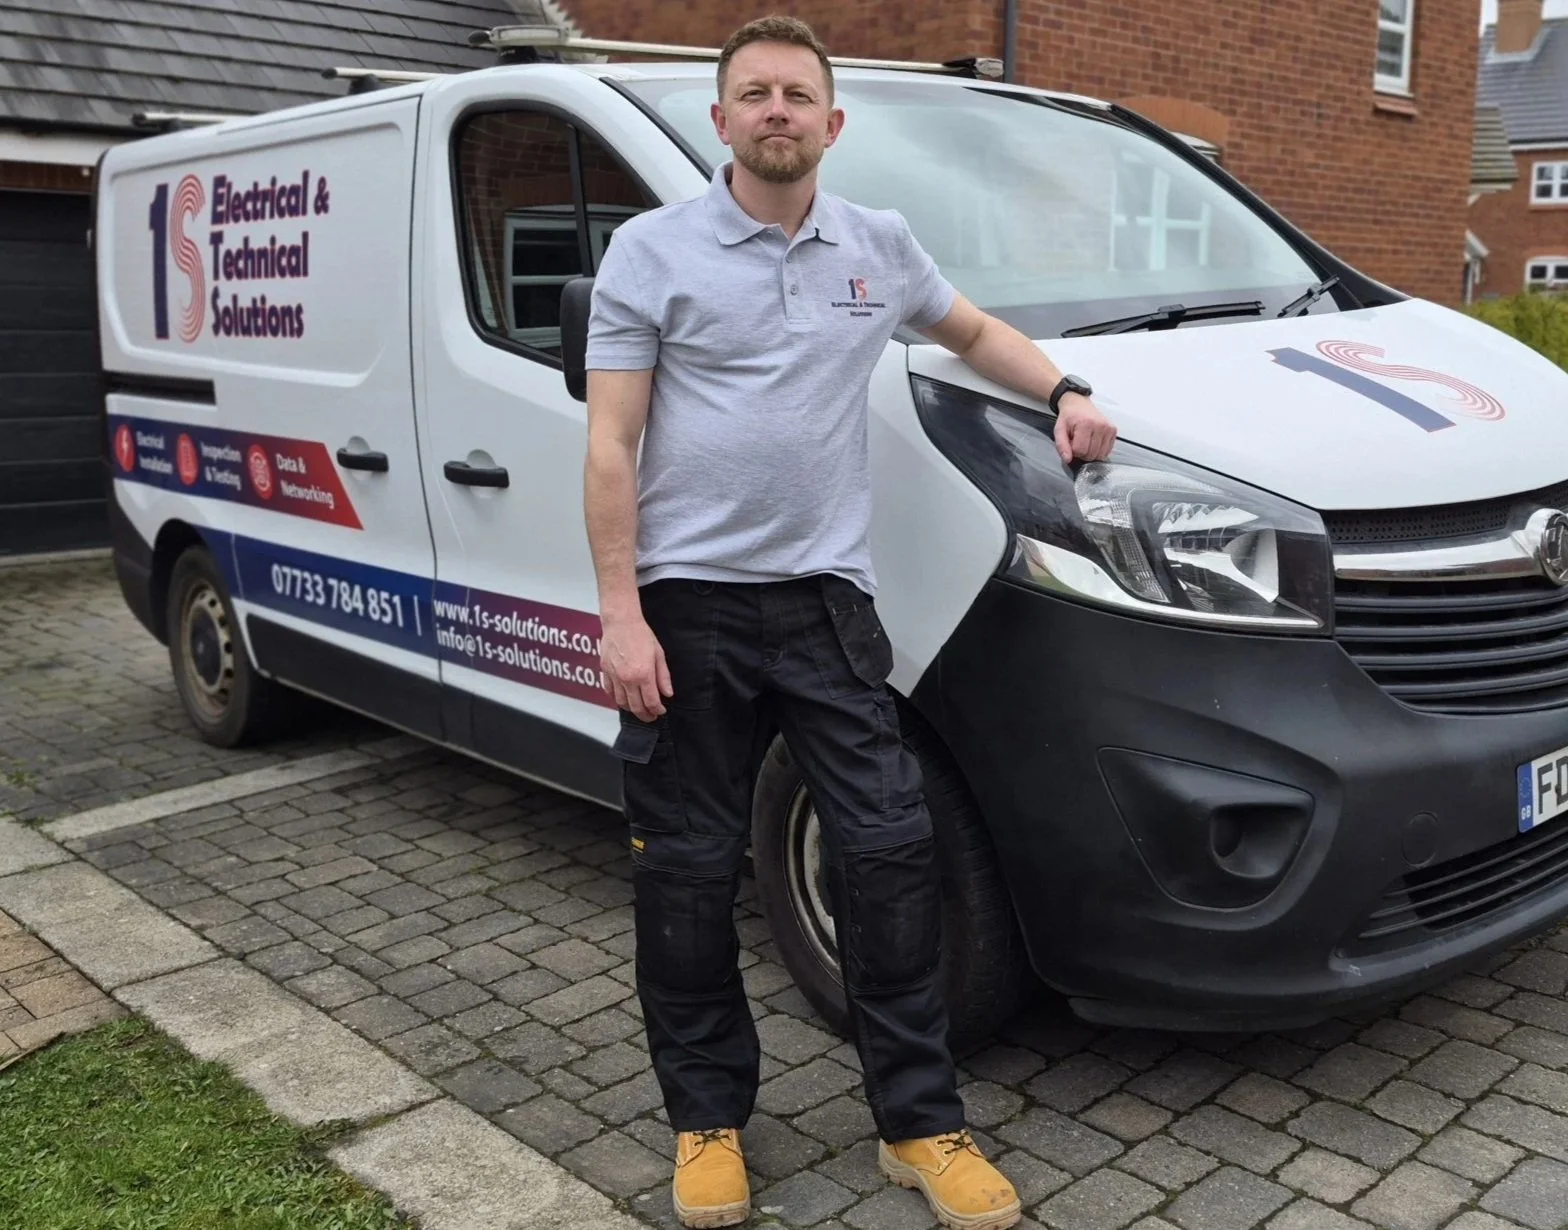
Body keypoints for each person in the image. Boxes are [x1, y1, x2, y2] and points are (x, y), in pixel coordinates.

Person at [582, 16, 1116, 1230]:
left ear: (832, 122)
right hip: (688, 609)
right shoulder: (650, 254)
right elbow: (609, 443)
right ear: (720, 121)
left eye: (797, 95)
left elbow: (972, 333)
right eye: (753, 94)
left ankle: (918, 1126)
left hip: (827, 606)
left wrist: (1067, 392)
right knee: (686, 874)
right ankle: (705, 1120)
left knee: (885, 858)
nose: (776, 110)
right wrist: (621, 614)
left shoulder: (876, 246)